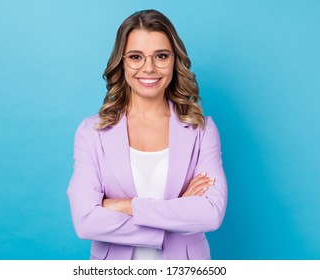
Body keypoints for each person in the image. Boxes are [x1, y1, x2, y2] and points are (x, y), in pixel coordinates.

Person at [67, 9, 227, 260]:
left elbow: (211, 213)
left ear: (174, 60)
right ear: (121, 61)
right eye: (135, 57)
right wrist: (176, 213)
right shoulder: (91, 132)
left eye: (161, 56)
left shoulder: (201, 129)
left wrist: (125, 206)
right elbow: (85, 221)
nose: (149, 68)